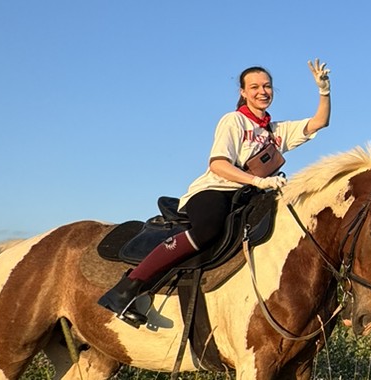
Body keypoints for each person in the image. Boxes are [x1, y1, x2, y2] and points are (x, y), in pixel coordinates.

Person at [98, 59, 333, 327]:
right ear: (243, 92)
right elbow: (218, 164)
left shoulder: (275, 130)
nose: (262, 91)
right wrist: (257, 181)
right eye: (254, 86)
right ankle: (128, 287)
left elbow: (319, 122)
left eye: (267, 86)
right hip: (216, 190)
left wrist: (323, 91)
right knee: (207, 230)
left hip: (249, 196)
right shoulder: (233, 121)